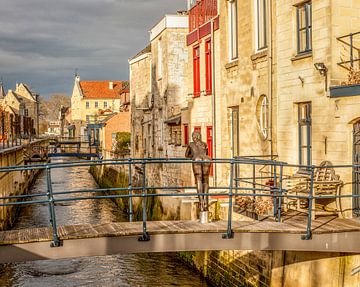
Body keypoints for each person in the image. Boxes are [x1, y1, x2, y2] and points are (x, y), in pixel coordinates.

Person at [185, 131, 211, 212]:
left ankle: (201, 202)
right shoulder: (205, 144)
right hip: (206, 159)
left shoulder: (191, 144)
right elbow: (207, 153)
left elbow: (186, 155)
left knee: (199, 180)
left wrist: (193, 155)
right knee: (206, 181)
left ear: (193, 137)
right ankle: (206, 201)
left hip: (197, 159)